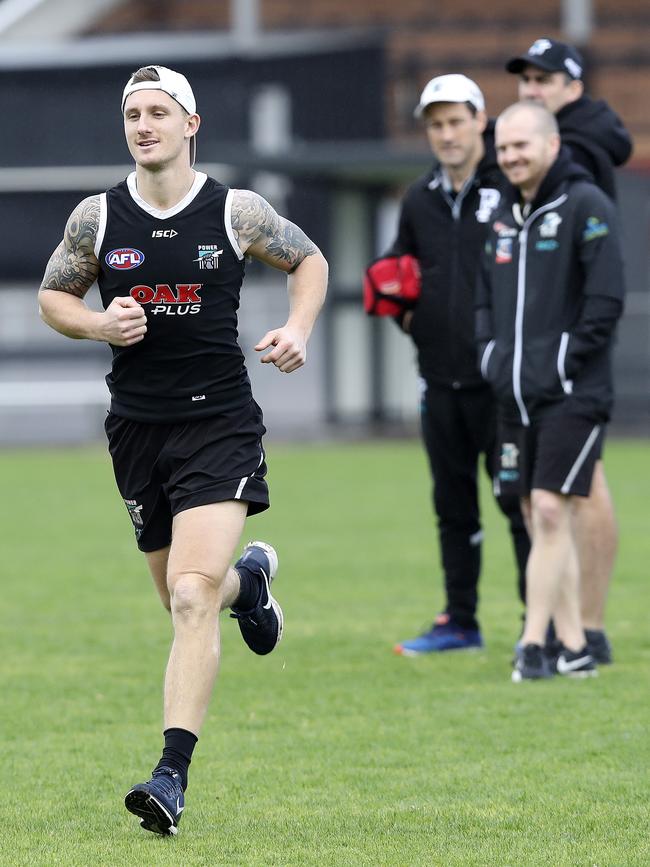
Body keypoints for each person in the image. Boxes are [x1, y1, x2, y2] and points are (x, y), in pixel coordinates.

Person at [38, 65, 328, 835]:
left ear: (190, 123)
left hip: (219, 423)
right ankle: (252, 583)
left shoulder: (235, 210)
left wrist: (297, 329)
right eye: (133, 113)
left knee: (192, 598)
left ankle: (171, 775)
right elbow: (54, 296)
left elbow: (310, 260)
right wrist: (97, 324)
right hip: (136, 428)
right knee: (185, 593)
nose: (143, 125)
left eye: (158, 111)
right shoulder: (97, 219)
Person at [476, 101, 625, 681]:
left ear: (552, 146)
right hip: (512, 395)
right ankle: (573, 644)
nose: (510, 157)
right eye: (504, 148)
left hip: (573, 393)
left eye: (522, 146)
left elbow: (606, 300)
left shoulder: (588, 206)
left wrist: (564, 361)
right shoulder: (502, 218)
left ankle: (533, 645)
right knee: (536, 518)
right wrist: (492, 356)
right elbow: (484, 300)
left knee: (549, 507)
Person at [384, 75, 530, 655]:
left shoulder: (511, 186)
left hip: (500, 382)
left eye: (455, 121)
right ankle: (461, 623)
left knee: (516, 502)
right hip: (438, 380)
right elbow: (401, 269)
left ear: (480, 120)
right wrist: (400, 310)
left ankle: (536, 622)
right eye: (435, 124)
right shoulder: (419, 197)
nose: (445, 134)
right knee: (452, 505)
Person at [506, 38, 634, 663]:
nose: (531, 88)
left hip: (564, 358)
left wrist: (560, 355)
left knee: (575, 489)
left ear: (573, 86)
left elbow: (600, 285)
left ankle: (584, 625)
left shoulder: (578, 152)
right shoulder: (542, 143)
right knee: (552, 495)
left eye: (544, 79)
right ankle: (571, 627)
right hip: (527, 356)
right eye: (526, 79)